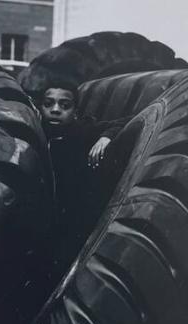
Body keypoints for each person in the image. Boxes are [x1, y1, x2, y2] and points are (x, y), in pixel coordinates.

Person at [38, 83, 130, 273]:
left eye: (65, 105)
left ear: (75, 111)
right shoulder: (36, 133)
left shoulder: (82, 131)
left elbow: (126, 121)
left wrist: (106, 137)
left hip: (72, 224)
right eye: (49, 104)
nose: (55, 110)